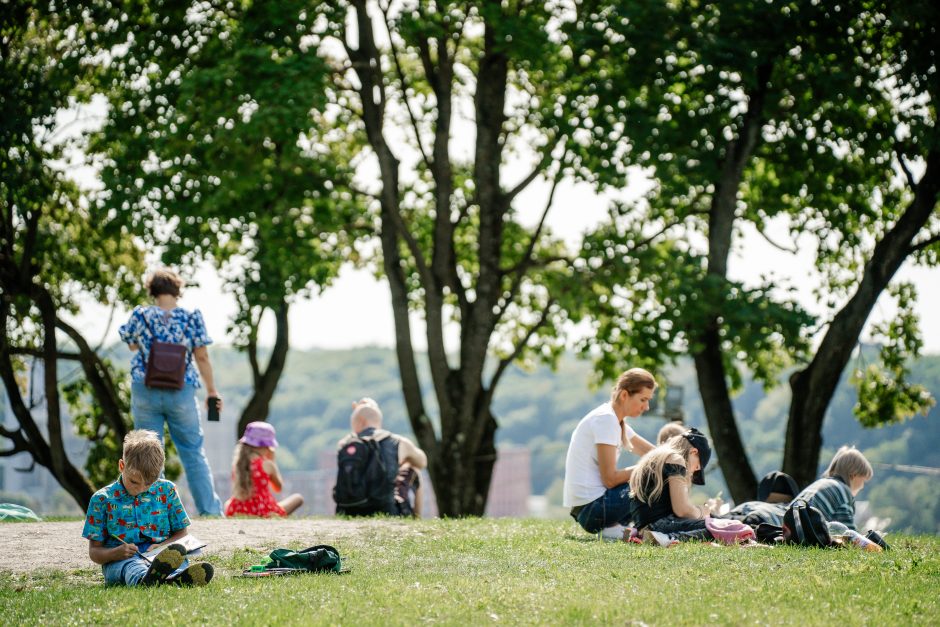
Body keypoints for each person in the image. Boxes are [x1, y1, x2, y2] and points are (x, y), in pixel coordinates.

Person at [119, 267, 223, 516]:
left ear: (152, 290)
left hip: (145, 388)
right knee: (192, 451)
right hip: (181, 390)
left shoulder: (141, 315)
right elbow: (202, 355)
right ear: (177, 290)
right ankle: (209, 511)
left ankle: (154, 512)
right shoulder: (191, 318)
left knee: (146, 453)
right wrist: (211, 391)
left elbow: (132, 344)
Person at [82, 430, 214, 586]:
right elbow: (94, 552)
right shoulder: (102, 500)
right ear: (122, 466)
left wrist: (163, 546)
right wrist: (116, 553)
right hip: (121, 560)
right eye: (134, 482)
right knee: (132, 566)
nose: (141, 489)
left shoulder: (167, 491)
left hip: (159, 555)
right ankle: (145, 580)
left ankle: (173, 578)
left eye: (149, 484)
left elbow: (182, 533)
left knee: (173, 560)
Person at [563, 368, 657, 538]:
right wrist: (648, 468)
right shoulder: (605, 420)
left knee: (657, 472)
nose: (646, 407)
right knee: (651, 479)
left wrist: (676, 460)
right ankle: (659, 529)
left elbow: (654, 454)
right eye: (643, 399)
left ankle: (614, 530)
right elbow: (610, 479)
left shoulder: (615, 420)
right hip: (592, 510)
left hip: (591, 509)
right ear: (624, 395)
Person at [334, 397, 427, 517]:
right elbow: (422, 462)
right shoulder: (397, 442)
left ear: (359, 421)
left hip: (347, 512)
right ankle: (416, 519)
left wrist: (359, 411)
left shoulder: (344, 444)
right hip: (388, 512)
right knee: (412, 469)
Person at [630, 428, 714, 544]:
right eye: (697, 467)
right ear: (694, 452)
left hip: (645, 525)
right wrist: (703, 512)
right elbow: (682, 510)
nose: (694, 472)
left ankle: (647, 536)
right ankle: (668, 538)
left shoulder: (657, 456)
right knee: (717, 527)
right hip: (660, 525)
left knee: (716, 524)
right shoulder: (676, 459)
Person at [225, 421, 304, 517]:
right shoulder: (267, 464)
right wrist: (272, 461)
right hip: (263, 510)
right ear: (267, 446)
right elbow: (278, 488)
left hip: (239, 510)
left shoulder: (238, 464)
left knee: (228, 502)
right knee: (298, 498)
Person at [791, 445, 873, 530]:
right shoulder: (843, 492)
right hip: (804, 532)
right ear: (853, 475)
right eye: (863, 480)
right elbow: (848, 533)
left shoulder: (822, 483)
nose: (862, 486)